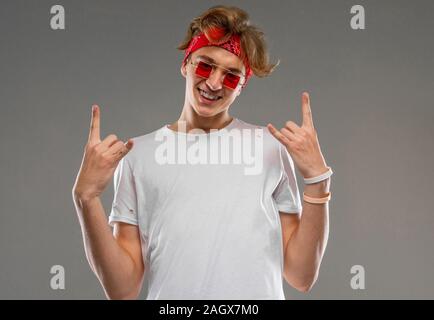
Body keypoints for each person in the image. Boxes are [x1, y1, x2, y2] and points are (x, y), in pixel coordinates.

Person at [72, 5, 333, 300]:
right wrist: (87, 199)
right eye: (205, 65)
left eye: (231, 76)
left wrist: (317, 180)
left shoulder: (269, 148)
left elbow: (301, 276)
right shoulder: (137, 156)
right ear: (186, 64)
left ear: (242, 86)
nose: (213, 83)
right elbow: (122, 290)